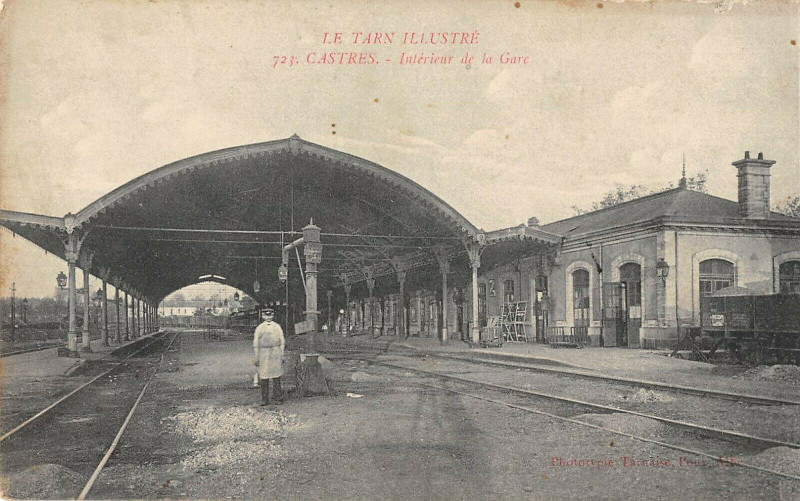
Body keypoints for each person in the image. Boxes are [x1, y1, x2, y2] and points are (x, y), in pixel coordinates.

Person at [253, 308, 285, 406]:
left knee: (276, 376)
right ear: (262, 316)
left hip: (275, 352)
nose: (268, 318)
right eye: (266, 315)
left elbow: (282, 341)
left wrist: (281, 354)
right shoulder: (260, 328)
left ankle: (277, 398)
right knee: (264, 376)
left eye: (270, 315)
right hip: (263, 353)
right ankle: (264, 399)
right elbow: (256, 343)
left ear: (273, 315)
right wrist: (256, 356)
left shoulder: (277, 327)